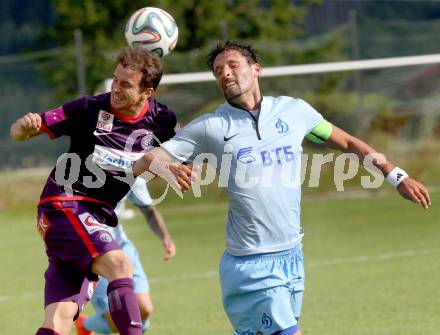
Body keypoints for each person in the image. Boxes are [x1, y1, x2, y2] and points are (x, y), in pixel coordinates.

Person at [132, 41, 431, 335]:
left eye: (233, 65)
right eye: (218, 71)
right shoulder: (210, 127)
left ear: (256, 69)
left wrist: (396, 176)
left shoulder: (293, 112)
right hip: (250, 266)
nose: (225, 74)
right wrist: (162, 165)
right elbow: (145, 160)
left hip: (291, 256)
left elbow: (349, 143)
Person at [10, 47, 181, 335]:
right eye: (115, 79)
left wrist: (165, 163)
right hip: (64, 205)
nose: (115, 88)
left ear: (147, 92)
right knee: (120, 264)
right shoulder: (89, 108)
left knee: (59, 321)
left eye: (125, 84)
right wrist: (23, 128)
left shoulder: (161, 120)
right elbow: (24, 129)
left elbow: (182, 150)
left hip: (91, 218)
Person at [75, 177, 176, 335]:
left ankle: (132, 329)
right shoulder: (83, 170)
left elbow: (149, 210)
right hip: (94, 252)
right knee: (117, 322)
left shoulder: (132, 171)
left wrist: (165, 237)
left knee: (145, 310)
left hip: (122, 247)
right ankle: (85, 325)